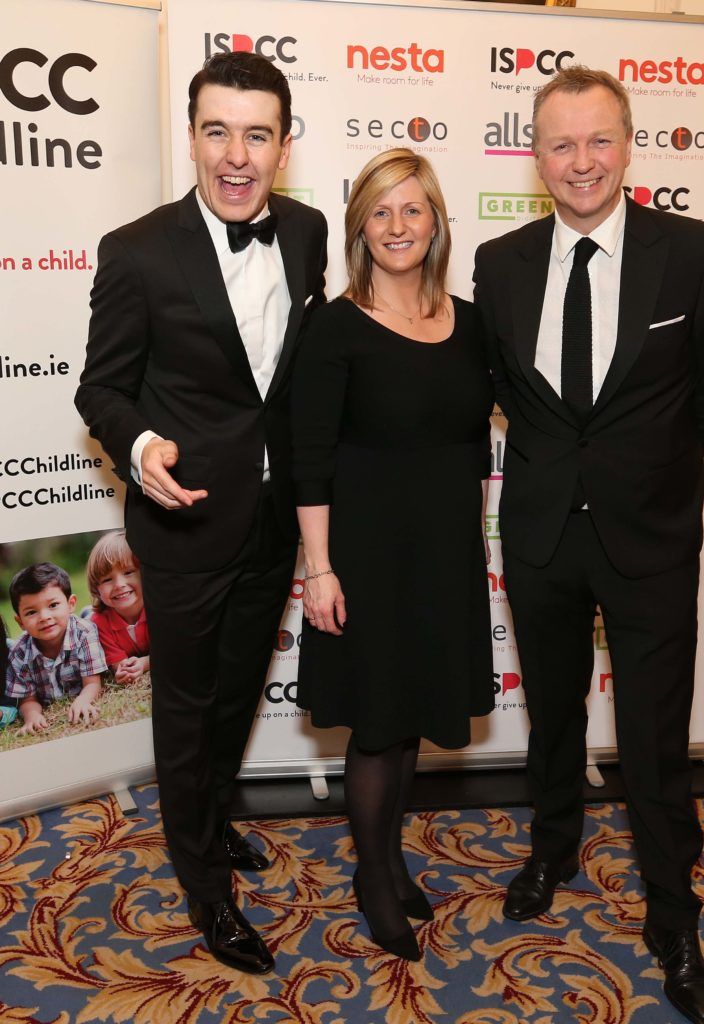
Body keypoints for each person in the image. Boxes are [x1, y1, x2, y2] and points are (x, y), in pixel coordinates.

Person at [473, 66, 704, 1024]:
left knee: (650, 733)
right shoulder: (498, 261)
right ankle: (551, 845)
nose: (580, 161)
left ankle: (671, 913)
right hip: (544, 530)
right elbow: (502, 390)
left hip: (649, 532)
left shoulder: (693, 252)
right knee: (551, 709)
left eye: (598, 140)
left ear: (629, 143)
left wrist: (653, 459)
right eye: (560, 144)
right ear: (535, 156)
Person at [75, 51, 328, 974]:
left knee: (231, 696)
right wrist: (142, 452)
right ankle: (204, 889)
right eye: (216, 131)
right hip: (181, 524)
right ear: (191, 136)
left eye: (256, 134)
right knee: (185, 708)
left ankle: (212, 821)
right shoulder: (137, 250)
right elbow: (101, 391)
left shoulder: (305, 235)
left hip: (268, 525)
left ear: (283, 144)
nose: (235, 155)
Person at [292, 148, 494, 962]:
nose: (397, 226)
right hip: (365, 555)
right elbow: (309, 456)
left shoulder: (470, 321)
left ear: (436, 219)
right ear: (359, 227)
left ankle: (390, 857)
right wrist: (319, 567)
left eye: (412, 209)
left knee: (410, 714)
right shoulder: (334, 326)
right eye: (380, 211)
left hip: (443, 552)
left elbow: (474, 443)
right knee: (377, 724)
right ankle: (373, 879)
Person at [6, 563, 107, 735]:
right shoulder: (19, 652)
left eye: (53, 605)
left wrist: (83, 700)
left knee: (90, 617)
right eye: (31, 612)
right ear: (20, 622)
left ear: (70, 604)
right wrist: (32, 715)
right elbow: (27, 699)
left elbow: (92, 683)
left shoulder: (84, 633)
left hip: (80, 685)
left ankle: (87, 611)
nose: (45, 617)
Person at [87, 530, 150, 682]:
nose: (119, 585)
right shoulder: (97, 624)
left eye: (128, 572)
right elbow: (120, 665)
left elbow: (173, 650)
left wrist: (145, 663)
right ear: (97, 588)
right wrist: (125, 670)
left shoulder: (161, 608)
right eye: (107, 580)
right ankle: (85, 612)